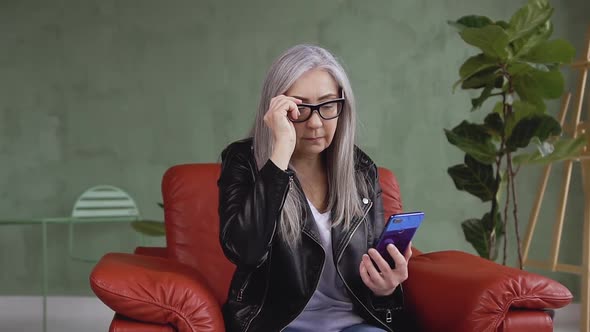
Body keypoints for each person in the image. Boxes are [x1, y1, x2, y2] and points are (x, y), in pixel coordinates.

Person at [217, 44, 411, 332]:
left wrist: (386, 288)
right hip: (278, 325)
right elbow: (245, 251)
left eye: (328, 105)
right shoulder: (243, 161)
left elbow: (373, 276)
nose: (316, 123)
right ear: (276, 110)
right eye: (299, 109)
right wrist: (280, 151)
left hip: (354, 325)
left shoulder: (361, 170)